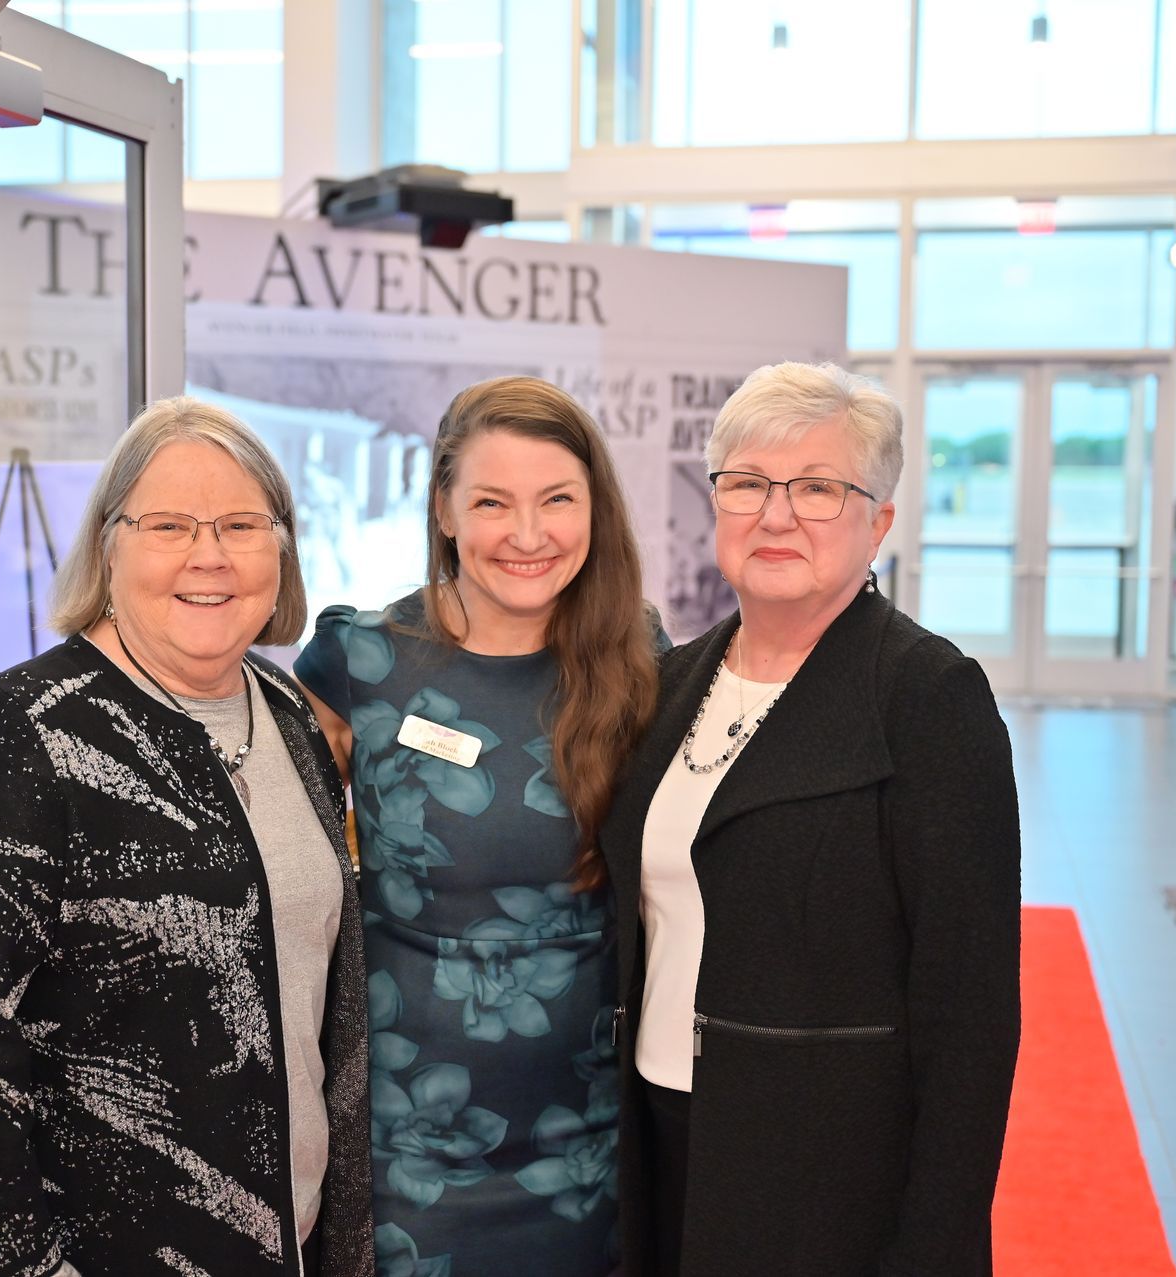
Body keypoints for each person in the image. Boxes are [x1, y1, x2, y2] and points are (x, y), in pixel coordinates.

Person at [0, 397, 374, 1277]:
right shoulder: (12, 736)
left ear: (283, 547)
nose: (209, 554)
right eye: (169, 524)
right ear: (109, 544)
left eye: (240, 524)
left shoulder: (292, 716)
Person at [601, 362, 1021, 1276]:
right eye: (747, 483)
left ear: (880, 521)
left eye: (819, 488)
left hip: (828, 1181)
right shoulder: (670, 685)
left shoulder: (927, 697)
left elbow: (973, 1018)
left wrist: (934, 1244)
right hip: (660, 1138)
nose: (776, 513)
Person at [294, 376, 661, 1275]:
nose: (528, 535)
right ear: (446, 511)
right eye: (492, 502)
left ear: (595, 510)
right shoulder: (361, 663)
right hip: (407, 1153)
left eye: (557, 501)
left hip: (595, 1146)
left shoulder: (638, 658)